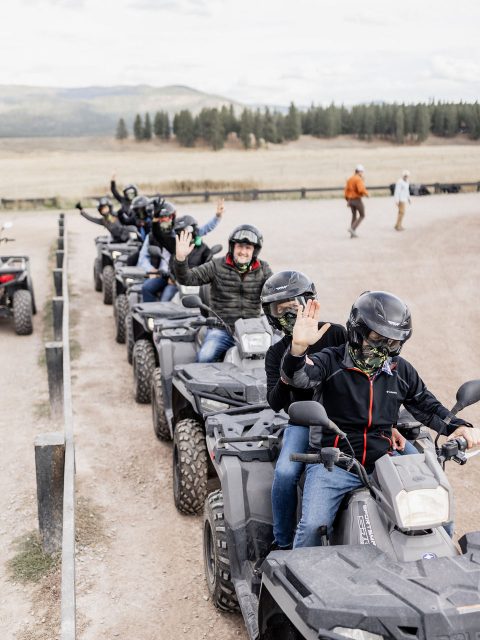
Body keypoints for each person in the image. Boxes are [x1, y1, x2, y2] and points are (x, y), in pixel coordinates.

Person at [280, 290, 478, 548]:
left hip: (385, 463)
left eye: (392, 342)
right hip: (334, 463)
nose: (384, 348)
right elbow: (297, 377)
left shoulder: (400, 370)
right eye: (377, 338)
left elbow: (426, 405)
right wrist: (297, 349)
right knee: (313, 526)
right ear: (357, 331)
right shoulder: (331, 361)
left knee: (439, 518)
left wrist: (457, 427)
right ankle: (296, 569)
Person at [261, 270, 347, 550]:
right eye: (280, 309)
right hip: (302, 422)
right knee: (286, 473)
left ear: (308, 304)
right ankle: (283, 542)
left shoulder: (335, 333)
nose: (289, 313)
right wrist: (289, 369)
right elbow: (274, 402)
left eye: (294, 305)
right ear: (271, 315)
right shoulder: (276, 353)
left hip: (343, 416)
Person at [174, 223, 272, 362]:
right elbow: (187, 278)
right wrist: (180, 259)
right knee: (205, 357)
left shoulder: (263, 268)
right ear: (232, 247)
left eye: (248, 248)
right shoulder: (216, 265)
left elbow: (275, 289)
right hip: (222, 329)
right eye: (240, 246)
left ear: (254, 251)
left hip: (253, 330)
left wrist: (290, 299)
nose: (243, 251)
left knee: (280, 356)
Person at [139, 200, 224, 302]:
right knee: (162, 299)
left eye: (185, 232)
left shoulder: (204, 249)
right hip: (174, 283)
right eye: (178, 233)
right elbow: (158, 234)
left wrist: (217, 217)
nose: (182, 236)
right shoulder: (175, 245)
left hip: (194, 286)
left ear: (193, 231)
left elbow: (211, 268)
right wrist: (156, 218)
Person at [344, 164, 369, 238]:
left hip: (350, 200)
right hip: (357, 200)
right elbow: (361, 189)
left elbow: (346, 190)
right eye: (362, 172)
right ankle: (352, 229)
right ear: (359, 171)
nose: (362, 173)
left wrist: (347, 200)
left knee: (354, 215)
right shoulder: (358, 179)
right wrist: (367, 194)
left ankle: (352, 234)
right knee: (362, 215)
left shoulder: (350, 179)